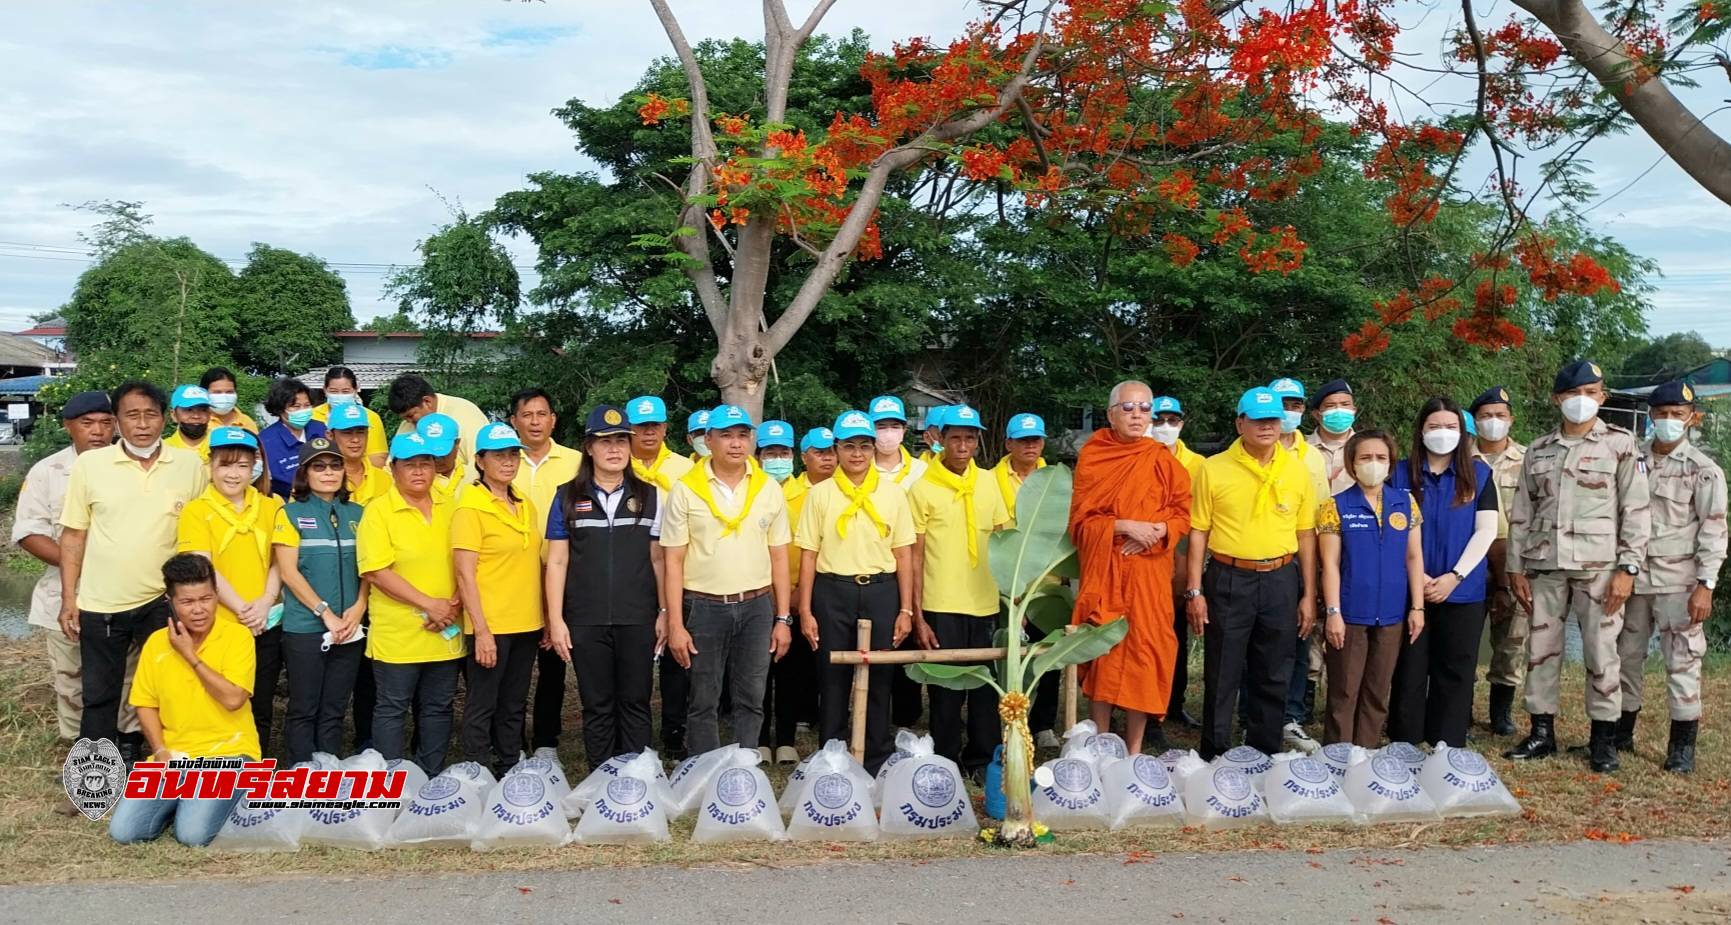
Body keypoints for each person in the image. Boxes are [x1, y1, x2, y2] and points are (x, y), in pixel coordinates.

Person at [1505, 360, 1650, 773]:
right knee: (1541, 651)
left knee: (1602, 651)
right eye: (1573, 394)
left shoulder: (1622, 445)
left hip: (1599, 569)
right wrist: (1515, 567)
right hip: (1544, 565)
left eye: (1591, 392)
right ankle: (1541, 733)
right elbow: (1522, 512)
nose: (1582, 401)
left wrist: (1628, 569)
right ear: (1557, 399)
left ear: (1603, 397)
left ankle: (1602, 740)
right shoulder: (1538, 449)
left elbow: (1636, 511)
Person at [59, 381, 207, 762]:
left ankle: (169, 769)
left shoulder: (189, 465)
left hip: (162, 602)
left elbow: (199, 531)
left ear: (165, 418)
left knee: (169, 687)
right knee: (99, 695)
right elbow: (74, 535)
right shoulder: (91, 465)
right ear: (116, 421)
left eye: (150, 414)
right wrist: (69, 598)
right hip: (101, 601)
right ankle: (93, 782)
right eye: (131, 415)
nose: (142, 424)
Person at [1186, 386, 1317, 759]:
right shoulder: (1213, 469)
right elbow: (1199, 531)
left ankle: (1263, 751)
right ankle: (1214, 753)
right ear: (1240, 422)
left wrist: (1308, 592)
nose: (1266, 427)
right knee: (1223, 668)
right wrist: (1194, 592)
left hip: (1280, 576)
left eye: (1273, 420)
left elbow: (1305, 533)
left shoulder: (1296, 468)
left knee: (1275, 669)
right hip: (1229, 577)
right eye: (1257, 420)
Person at [661, 404, 793, 754]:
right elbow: (672, 560)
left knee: (751, 695)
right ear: (708, 440)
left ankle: (745, 768)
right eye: (726, 435)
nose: (736, 444)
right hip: (704, 606)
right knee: (703, 697)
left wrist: (782, 618)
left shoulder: (768, 488)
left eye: (742, 435)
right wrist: (675, 622)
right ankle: (705, 771)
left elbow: (779, 555)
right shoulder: (686, 489)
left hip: (757, 606)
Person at [1069, 383, 1192, 756]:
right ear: (1111, 414)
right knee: (1104, 652)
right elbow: (1079, 524)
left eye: (1144, 408)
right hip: (1108, 572)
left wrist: (1159, 530)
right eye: (1129, 408)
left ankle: (1135, 749)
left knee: (1146, 652)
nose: (1138, 415)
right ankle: (1100, 743)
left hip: (1150, 576)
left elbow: (1182, 514)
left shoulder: (1164, 459)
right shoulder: (1094, 457)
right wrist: (1123, 526)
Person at [543, 405, 666, 769]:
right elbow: (558, 561)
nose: (614, 449)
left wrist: (664, 612)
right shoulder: (566, 496)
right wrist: (556, 619)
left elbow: (659, 560)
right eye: (605, 441)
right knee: (596, 703)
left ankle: (636, 777)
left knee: (635, 700)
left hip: (638, 616)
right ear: (589, 448)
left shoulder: (651, 496)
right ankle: (601, 777)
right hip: (585, 617)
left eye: (621, 441)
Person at [108, 554, 259, 847]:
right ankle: (188, 798)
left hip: (228, 753)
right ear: (170, 601)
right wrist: (161, 750)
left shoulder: (238, 637)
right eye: (187, 602)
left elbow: (232, 699)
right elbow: (145, 704)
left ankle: (228, 791)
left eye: (206, 599)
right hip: (175, 757)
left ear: (216, 595)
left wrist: (190, 655)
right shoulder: (156, 643)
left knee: (192, 835)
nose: (199, 609)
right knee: (124, 832)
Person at [794, 410, 916, 774]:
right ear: (837, 449)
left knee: (880, 674)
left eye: (865, 446)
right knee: (832, 675)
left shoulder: (893, 494)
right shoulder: (821, 495)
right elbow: (808, 554)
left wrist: (906, 609)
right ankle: (831, 754)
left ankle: (876, 755)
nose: (858, 454)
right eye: (849, 446)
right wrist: (805, 610)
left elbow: (903, 553)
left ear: (874, 449)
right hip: (833, 591)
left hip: (881, 590)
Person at [1619, 381, 1726, 773]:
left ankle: (1681, 747)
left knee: (1682, 662)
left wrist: (1706, 585)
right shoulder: (1630, 460)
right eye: (1661, 414)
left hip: (1679, 584)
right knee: (1624, 658)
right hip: (1631, 580)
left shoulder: (1704, 470)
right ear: (1650, 416)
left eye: (1677, 415)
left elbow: (1714, 531)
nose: (1668, 421)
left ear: (1692, 417)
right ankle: (1620, 734)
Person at [1387, 398, 1498, 747]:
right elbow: (1387, 530)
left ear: (1463, 433)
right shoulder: (1398, 474)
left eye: (1450, 427)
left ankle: (1447, 741)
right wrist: (1415, 577)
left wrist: (1455, 576)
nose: (1442, 433)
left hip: (1461, 589)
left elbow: (1486, 532)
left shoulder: (1479, 476)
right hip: (1409, 587)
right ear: (1421, 431)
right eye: (1434, 426)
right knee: (1410, 667)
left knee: (1456, 668)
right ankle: (1405, 739)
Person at [13, 392, 119, 753]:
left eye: (106, 422)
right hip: (66, 593)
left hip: (125, 593)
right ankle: (80, 753)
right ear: (68, 427)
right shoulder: (48, 471)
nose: (98, 432)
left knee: (127, 675)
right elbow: (28, 533)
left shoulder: (132, 466)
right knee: (73, 678)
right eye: (87, 423)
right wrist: (80, 563)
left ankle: (125, 748)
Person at [908, 406, 1012, 772]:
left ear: (978, 441)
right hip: (941, 602)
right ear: (940, 440)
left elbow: (1003, 539)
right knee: (945, 690)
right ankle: (946, 760)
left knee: (985, 688)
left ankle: (984, 759)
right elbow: (915, 557)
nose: (963, 445)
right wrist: (918, 615)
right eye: (955, 437)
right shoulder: (922, 488)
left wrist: (1011, 594)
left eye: (970, 437)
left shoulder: (989, 482)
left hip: (984, 601)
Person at [358, 432, 466, 773]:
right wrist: (429, 604)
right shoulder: (378, 511)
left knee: (438, 706)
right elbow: (376, 571)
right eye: (410, 465)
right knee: (392, 706)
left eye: (426, 463)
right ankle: (391, 782)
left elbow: (470, 558)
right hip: (399, 631)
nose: (419, 471)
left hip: (447, 625)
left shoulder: (452, 505)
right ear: (393, 469)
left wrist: (453, 604)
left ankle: (430, 775)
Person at [176, 427, 285, 756]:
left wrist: (265, 603)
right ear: (211, 466)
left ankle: (254, 775)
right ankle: (212, 775)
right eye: (225, 465)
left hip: (266, 622)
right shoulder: (197, 511)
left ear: (255, 466)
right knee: (217, 703)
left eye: (242, 465)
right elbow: (202, 566)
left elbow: (281, 560)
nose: (234, 474)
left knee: (260, 703)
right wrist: (243, 609)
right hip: (220, 625)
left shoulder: (272, 505)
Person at [1319, 430, 1425, 748]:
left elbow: (1414, 556)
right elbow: (1331, 565)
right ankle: (1338, 756)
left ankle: (1365, 756)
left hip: (1392, 613)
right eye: (1365, 457)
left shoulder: (1405, 502)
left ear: (1391, 463)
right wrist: (1333, 612)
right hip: (1351, 613)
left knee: (1378, 690)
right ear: (1352, 464)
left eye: (1380, 457)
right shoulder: (1335, 506)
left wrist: (1417, 607)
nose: (1373, 464)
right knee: (1344, 690)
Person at [452, 423, 545, 776]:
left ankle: (509, 765)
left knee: (513, 702)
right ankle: (477, 770)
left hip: (526, 622)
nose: (507, 461)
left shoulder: (524, 503)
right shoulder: (470, 508)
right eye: (498, 455)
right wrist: (482, 630)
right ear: (480, 460)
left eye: (512, 454)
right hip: (491, 623)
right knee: (482, 703)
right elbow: (464, 574)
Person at [273, 436, 367, 765]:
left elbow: (369, 569)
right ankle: (299, 775)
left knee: (335, 707)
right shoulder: (291, 513)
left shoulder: (359, 513)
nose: (328, 472)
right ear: (305, 473)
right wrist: (325, 614)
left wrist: (358, 608)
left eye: (335, 465)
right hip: (307, 627)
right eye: (319, 466)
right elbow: (288, 572)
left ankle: (328, 772)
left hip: (350, 627)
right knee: (304, 707)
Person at [505, 389, 582, 754]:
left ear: (554, 419)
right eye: (527, 415)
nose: (535, 421)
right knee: (515, 665)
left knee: (553, 661)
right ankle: (511, 738)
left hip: (563, 572)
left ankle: (547, 739)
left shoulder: (576, 462)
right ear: (513, 421)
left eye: (542, 414)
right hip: (511, 577)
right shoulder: (501, 461)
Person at [626, 394, 695, 757]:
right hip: (633, 572)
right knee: (634, 655)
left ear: (666, 427)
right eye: (640, 426)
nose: (648, 432)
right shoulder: (619, 467)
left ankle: (674, 729)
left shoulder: (686, 469)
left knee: (677, 655)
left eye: (655, 425)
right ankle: (633, 732)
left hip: (677, 571)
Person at [1265, 377, 1330, 752]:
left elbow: (1318, 518)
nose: (1288, 411)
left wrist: (1316, 576)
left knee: (1298, 639)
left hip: (1298, 559)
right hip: (1258, 559)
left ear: (1305, 409)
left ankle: (1291, 715)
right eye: (1281, 403)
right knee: (1259, 645)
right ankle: (1252, 716)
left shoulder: (1313, 457)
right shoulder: (1252, 446)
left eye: (1295, 404)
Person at [1470, 385, 1529, 735]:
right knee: (1462, 643)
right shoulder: (1460, 457)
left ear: (1511, 420)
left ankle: (1500, 714)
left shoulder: (1530, 458)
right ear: (1475, 421)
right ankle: (1459, 709)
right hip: (1468, 565)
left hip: (1515, 564)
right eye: (1486, 416)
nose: (1493, 422)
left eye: (1500, 416)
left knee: (1512, 640)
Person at [1146, 396, 1205, 733]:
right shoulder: (1138, 458)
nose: (1165, 426)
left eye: (1172, 419)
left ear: (1182, 423)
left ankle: (1174, 703)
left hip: (1182, 550)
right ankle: (1144, 705)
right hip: (1145, 551)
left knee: (1177, 635)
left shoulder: (1198, 464)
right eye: (1158, 419)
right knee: (1148, 636)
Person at [755, 417, 801, 761]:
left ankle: (785, 739)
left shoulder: (810, 493)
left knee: (789, 671)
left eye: (783, 451)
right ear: (758, 456)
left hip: (797, 597)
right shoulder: (751, 490)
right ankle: (758, 738)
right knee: (756, 671)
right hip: (755, 594)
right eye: (770, 452)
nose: (777, 458)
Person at [387, 374, 490, 475]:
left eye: (411, 416)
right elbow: (392, 465)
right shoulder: (410, 423)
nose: (409, 422)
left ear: (427, 402)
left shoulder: (465, 414)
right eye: (405, 419)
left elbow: (481, 464)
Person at [260, 377, 327, 501]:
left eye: (307, 405)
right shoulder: (266, 441)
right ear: (280, 409)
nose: (302, 410)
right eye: (296, 406)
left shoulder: (320, 429)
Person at [311, 366, 388, 467]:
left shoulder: (370, 417)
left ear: (355, 390)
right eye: (334, 391)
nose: (339, 396)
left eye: (345, 391)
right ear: (325, 390)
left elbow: (378, 458)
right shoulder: (311, 416)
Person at [327, 401, 391, 505]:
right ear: (330, 436)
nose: (355, 439)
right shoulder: (319, 479)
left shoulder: (385, 480)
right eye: (347, 433)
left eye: (361, 432)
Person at [867, 395, 927, 488]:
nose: (888, 433)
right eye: (881, 427)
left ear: (904, 430)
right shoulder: (860, 468)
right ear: (871, 431)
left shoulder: (921, 469)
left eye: (895, 427)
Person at [417, 412, 466, 502]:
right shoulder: (412, 482)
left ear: (457, 444)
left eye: (443, 453)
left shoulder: (475, 476)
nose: (437, 459)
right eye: (430, 454)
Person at [200, 367, 258, 433]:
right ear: (204, 393)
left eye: (229, 392)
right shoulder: (196, 422)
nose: (224, 397)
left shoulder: (246, 422)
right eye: (217, 392)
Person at [164, 385, 213, 460]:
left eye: (203, 410)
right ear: (174, 415)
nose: (196, 416)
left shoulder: (223, 447)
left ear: (210, 414)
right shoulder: (162, 451)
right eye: (189, 410)